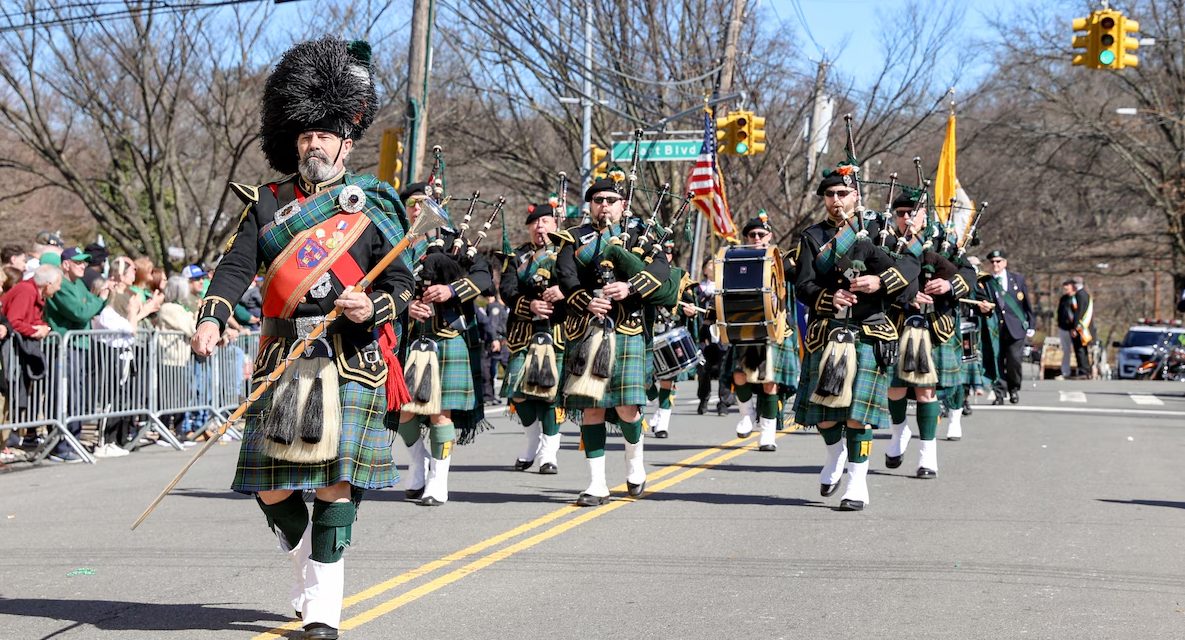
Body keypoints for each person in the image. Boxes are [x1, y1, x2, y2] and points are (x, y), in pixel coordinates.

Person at [189, 37, 415, 640]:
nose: (313, 143)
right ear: (293, 139)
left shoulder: (375, 201)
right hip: (282, 354)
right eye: (305, 134)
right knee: (272, 488)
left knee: (336, 483)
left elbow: (402, 282)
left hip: (350, 357)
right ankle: (307, 564)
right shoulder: (266, 205)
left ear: (347, 139)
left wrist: (371, 306)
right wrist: (211, 316)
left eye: (325, 133)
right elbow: (235, 269)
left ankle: (322, 608)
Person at [793, 163, 917, 511]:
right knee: (829, 416)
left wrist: (880, 282)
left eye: (843, 194)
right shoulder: (813, 237)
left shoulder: (877, 230)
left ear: (856, 196)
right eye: (830, 195)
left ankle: (858, 483)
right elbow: (803, 285)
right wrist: (828, 297)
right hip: (829, 331)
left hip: (868, 329)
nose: (836, 200)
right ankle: (834, 456)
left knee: (857, 416)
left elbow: (910, 266)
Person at [554, 174, 670, 506]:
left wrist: (630, 288)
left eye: (610, 200)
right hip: (589, 328)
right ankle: (596, 485)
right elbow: (565, 276)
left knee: (627, 408)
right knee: (591, 408)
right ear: (590, 205)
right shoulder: (574, 238)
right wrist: (585, 300)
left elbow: (661, 272)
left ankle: (635, 464)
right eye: (598, 200)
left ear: (623, 205)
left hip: (629, 328)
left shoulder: (642, 236)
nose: (604, 206)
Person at [394, 181, 492, 507]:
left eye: (425, 203)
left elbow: (482, 278)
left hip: (446, 337)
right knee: (403, 413)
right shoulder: (396, 244)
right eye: (412, 204)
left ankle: (438, 479)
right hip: (408, 339)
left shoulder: (457, 243)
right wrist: (406, 305)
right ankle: (418, 461)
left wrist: (451, 291)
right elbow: (381, 285)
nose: (418, 209)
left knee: (440, 414)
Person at [881, 190, 976, 479]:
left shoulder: (942, 240)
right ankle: (899, 434)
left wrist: (949, 287)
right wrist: (905, 297)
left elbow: (968, 274)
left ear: (925, 213)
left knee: (925, 392)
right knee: (894, 389)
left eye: (913, 211)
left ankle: (927, 455)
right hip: (895, 324)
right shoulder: (883, 242)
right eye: (901, 213)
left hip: (934, 326)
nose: (907, 217)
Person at [499, 200, 567, 473]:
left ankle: (549, 452)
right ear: (528, 228)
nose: (540, 227)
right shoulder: (516, 257)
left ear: (555, 224)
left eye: (545, 222)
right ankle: (532, 441)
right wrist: (530, 305)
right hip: (523, 332)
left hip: (557, 331)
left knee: (551, 395)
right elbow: (507, 290)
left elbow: (576, 283)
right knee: (517, 393)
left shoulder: (567, 252)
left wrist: (561, 293)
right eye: (535, 223)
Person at [728, 214, 799, 451]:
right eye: (752, 235)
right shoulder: (736, 260)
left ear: (770, 236)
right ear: (746, 237)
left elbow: (798, 278)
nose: (757, 238)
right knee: (739, 375)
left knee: (770, 381)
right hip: (746, 324)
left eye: (761, 234)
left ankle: (767, 434)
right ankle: (746, 415)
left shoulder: (783, 260)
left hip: (775, 326)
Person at [43, 246, 109, 463]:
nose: (83, 266)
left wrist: (91, 303)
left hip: (80, 345)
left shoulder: (78, 283)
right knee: (65, 395)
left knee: (77, 396)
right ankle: (60, 445)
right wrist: (96, 301)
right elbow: (80, 312)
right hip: (65, 347)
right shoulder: (61, 285)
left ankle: (73, 439)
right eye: (78, 262)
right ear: (66, 264)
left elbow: (87, 308)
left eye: (84, 262)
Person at [648, 238, 698, 439]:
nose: (666, 256)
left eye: (669, 253)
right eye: (663, 252)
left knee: (668, 380)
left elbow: (691, 306)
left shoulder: (680, 277)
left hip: (669, 333)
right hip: (648, 333)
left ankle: (663, 422)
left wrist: (691, 311)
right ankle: (657, 410)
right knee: (645, 381)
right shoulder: (645, 273)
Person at [984, 249, 1034, 404]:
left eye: (998, 261)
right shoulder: (986, 281)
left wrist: (1031, 324)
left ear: (1005, 263)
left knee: (1014, 360)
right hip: (995, 328)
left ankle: (1014, 389)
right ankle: (999, 393)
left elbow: (1026, 304)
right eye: (992, 262)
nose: (995, 264)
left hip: (1015, 327)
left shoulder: (1017, 279)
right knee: (996, 361)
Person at [1071, 276, 1093, 379]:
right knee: (1084, 349)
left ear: (1076, 285)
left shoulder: (1079, 295)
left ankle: (1083, 371)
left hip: (1081, 326)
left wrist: (1075, 327)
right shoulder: (1085, 294)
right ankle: (1087, 370)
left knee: (1079, 349)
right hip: (1085, 326)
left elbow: (1078, 312)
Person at [1056, 280, 1077, 379]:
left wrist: (1074, 326)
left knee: (1078, 350)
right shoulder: (1064, 298)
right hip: (1063, 327)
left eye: (1067, 287)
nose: (1065, 289)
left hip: (1074, 328)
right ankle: (1065, 371)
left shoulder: (1076, 298)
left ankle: (1080, 370)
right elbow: (1060, 312)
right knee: (1066, 350)